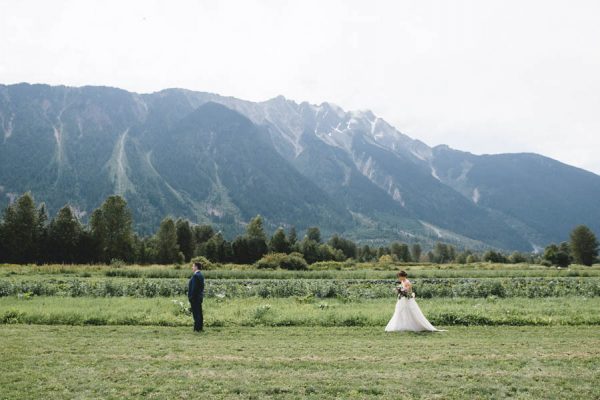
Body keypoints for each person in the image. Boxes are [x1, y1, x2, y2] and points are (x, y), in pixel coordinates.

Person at [188, 261, 205, 332]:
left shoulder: (195, 276)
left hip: (195, 298)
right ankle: (200, 328)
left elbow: (194, 288)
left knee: (196, 313)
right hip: (199, 297)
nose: (192, 267)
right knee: (199, 312)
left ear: (196, 267)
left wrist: (191, 297)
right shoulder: (201, 275)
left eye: (193, 266)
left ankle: (197, 329)